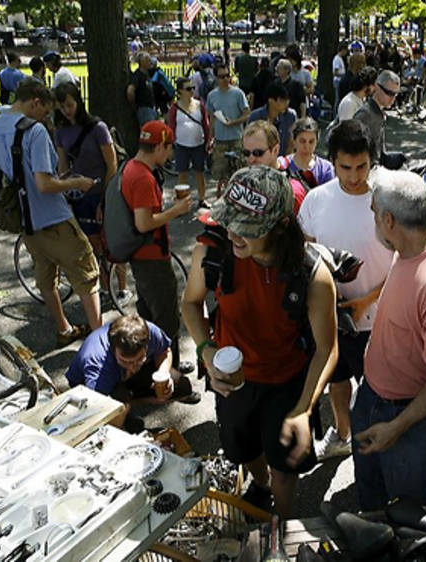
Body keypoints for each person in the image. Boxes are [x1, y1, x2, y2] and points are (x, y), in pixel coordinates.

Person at [182, 165, 338, 517]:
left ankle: (280, 525)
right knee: (242, 452)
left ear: (281, 227)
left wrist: (304, 408)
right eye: (230, 221)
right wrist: (207, 353)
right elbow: (190, 305)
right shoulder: (214, 253)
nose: (235, 234)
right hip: (233, 382)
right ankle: (261, 485)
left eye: (247, 228)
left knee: (285, 470)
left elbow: (327, 349)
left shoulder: (312, 275)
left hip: (286, 383)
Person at [350, 168, 426, 510]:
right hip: (373, 398)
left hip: (406, 420)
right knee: (370, 500)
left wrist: (396, 427)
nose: (372, 218)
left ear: (389, 220)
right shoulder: (405, 252)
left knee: (405, 515)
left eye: (374, 212)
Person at [298, 120, 394, 460]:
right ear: (333, 162)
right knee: (336, 381)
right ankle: (342, 433)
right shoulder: (315, 200)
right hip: (330, 319)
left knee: (379, 389)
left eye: (362, 166)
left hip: (379, 320)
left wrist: (365, 301)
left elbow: (405, 262)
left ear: (372, 160)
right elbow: (306, 254)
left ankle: (376, 443)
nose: (354, 176)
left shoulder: (388, 201)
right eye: (345, 167)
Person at [0, 78, 101, 346]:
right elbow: (44, 183)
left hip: (27, 222)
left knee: (46, 277)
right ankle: (101, 342)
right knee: (87, 275)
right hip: (54, 218)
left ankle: (63, 328)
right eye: (45, 111)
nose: (47, 117)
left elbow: (18, 175)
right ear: (35, 102)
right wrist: (76, 182)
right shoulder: (34, 131)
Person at [122, 121, 192, 371]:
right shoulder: (142, 177)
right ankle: (169, 372)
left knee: (149, 310)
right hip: (151, 258)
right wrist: (176, 211)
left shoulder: (132, 167)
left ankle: (152, 362)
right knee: (166, 316)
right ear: (160, 145)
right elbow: (143, 223)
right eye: (169, 148)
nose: (171, 154)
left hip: (141, 256)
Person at [65, 314, 200, 432]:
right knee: (119, 409)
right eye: (126, 361)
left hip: (120, 375)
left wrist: (163, 373)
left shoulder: (149, 331)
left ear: (146, 345)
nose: (133, 367)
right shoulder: (98, 366)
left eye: (138, 359)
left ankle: (133, 401)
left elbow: (164, 351)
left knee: (182, 387)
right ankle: (126, 409)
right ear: (113, 349)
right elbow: (97, 411)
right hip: (95, 388)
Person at [54, 82, 118, 287]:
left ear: (78, 102)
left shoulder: (97, 128)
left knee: (112, 244)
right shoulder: (61, 131)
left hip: (102, 191)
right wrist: (63, 187)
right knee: (93, 244)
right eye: (62, 107)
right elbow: (63, 166)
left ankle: (121, 288)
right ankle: (103, 287)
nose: (67, 111)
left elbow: (112, 164)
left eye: (70, 105)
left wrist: (105, 199)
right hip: (80, 196)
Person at [239, 120, 307, 211]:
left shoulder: (292, 192)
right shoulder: (242, 182)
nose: (251, 159)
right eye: (246, 153)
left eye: (258, 153)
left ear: (275, 150)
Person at [206, 63, 251, 196]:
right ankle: (222, 198)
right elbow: (212, 119)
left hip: (236, 138)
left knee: (239, 171)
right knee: (221, 173)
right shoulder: (212, 96)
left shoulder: (238, 93)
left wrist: (234, 122)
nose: (225, 79)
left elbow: (247, 113)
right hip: (220, 140)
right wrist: (210, 139)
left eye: (227, 76)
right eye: (221, 76)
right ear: (216, 78)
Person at [166, 76, 211, 208]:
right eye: (188, 88)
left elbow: (205, 124)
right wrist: (170, 146)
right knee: (182, 174)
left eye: (193, 88)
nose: (191, 91)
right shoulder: (174, 108)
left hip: (198, 144)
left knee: (200, 172)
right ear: (180, 91)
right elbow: (171, 127)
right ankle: (182, 202)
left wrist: (208, 140)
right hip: (182, 145)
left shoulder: (199, 104)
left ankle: (202, 199)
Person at [354, 69, 401, 166]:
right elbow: (354, 150)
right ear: (377, 87)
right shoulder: (365, 114)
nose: (392, 98)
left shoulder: (379, 112)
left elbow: (380, 150)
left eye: (395, 94)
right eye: (389, 93)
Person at [279, 117, 335, 189]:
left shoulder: (326, 168)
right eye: (302, 141)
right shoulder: (282, 164)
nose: (307, 146)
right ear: (294, 140)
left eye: (311, 142)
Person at [246, 83, 297, 157]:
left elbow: (291, 143)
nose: (286, 104)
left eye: (287, 100)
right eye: (282, 100)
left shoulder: (290, 116)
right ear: (271, 100)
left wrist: (285, 163)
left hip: (281, 161)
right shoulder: (255, 116)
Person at [126, 52, 157, 126]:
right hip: (144, 109)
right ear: (142, 62)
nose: (150, 62)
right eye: (148, 60)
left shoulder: (147, 74)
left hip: (151, 108)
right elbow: (130, 91)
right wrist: (134, 105)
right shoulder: (137, 75)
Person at [332, 42, 348, 109]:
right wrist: (344, 75)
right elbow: (335, 73)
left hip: (340, 81)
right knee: (337, 100)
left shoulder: (340, 58)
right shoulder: (337, 59)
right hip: (337, 81)